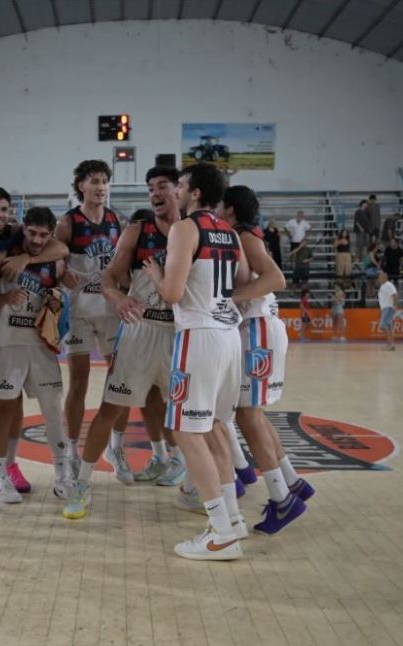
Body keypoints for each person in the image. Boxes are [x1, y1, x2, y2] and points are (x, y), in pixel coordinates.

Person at [62, 166, 187, 520]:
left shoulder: (193, 230)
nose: (155, 193)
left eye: (162, 186)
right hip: (139, 329)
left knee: (184, 411)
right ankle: (82, 483)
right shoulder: (137, 231)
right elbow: (109, 277)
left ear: (179, 191)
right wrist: (117, 297)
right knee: (110, 407)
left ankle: (185, 471)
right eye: (150, 188)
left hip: (179, 333)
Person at [141, 162, 249, 561]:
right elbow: (242, 281)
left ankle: (221, 533)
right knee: (216, 429)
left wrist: (156, 273)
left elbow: (172, 293)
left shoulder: (185, 229)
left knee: (187, 433)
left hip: (199, 335)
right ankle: (232, 519)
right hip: (228, 335)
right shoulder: (229, 232)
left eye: (181, 185)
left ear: (196, 192)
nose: (176, 191)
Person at [223, 184, 312, 533]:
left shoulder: (244, 237)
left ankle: (282, 500)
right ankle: (292, 482)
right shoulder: (246, 235)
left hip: (257, 328)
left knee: (247, 416)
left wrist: (232, 297)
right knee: (254, 415)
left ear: (230, 209)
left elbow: (276, 278)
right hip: (261, 327)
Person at [0, 186, 68, 494]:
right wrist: (5, 299)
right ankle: (0, 476)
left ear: (51, 233)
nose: (37, 240)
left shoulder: (56, 260)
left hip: (42, 346)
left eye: (43, 235)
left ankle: (62, 474)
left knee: (53, 409)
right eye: (32, 233)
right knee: (5, 411)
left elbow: (64, 261)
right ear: (23, 228)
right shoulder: (3, 256)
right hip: (7, 343)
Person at [54, 160, 125, 478]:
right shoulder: (69, 222)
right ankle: (71, 449)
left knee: (121, 381)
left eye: (104, 181)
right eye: (94, 180)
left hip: (110, 311)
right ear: (81, 186)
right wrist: (61, 273)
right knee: (79, 381)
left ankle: (117, 446)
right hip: (79, 312)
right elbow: (53, 256)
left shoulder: (115, 220)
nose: (101, 186)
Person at [377, 272, 398, 351]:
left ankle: (390, 344)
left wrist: (395, 305)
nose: (378, 279)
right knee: (388, 326)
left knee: (383, 325)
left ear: (385, 277)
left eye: (380, 277)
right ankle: (390, 345)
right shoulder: (382, 286)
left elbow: (395, 295)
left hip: (388, 307)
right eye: (379, 277)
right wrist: (381, 312)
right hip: (384, 308)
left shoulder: (388, 285)